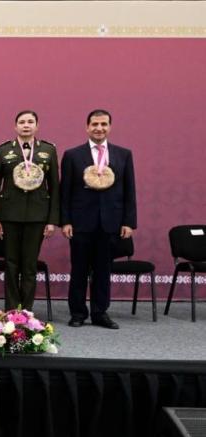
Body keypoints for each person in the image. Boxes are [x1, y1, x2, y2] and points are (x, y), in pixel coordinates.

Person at [61, 109, 136, 329]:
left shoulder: (123, 154)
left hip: (110, 222)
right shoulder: (73, 155)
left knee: (103, 270)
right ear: (87, 127)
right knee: (79, 270)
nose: (99, 128)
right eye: (95, 124)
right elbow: (65, 191)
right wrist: (65, 221)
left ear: (110, 127)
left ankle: (100, 313)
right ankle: (77, 313)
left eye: (103, 124)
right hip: (81, 223)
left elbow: (129, 190)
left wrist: (128, 222)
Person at [0, 110, 60, 311]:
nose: (26, 125)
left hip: (38, 216)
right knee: (11, 265)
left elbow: (55, 187)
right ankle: (11, 310)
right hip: (9, 215)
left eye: (30, 122)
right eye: (22, 122)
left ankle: (26, 311)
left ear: (37, 126)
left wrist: (52, 220)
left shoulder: (49, 150)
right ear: (15, 126)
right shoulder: (3, 151)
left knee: (29, 266)